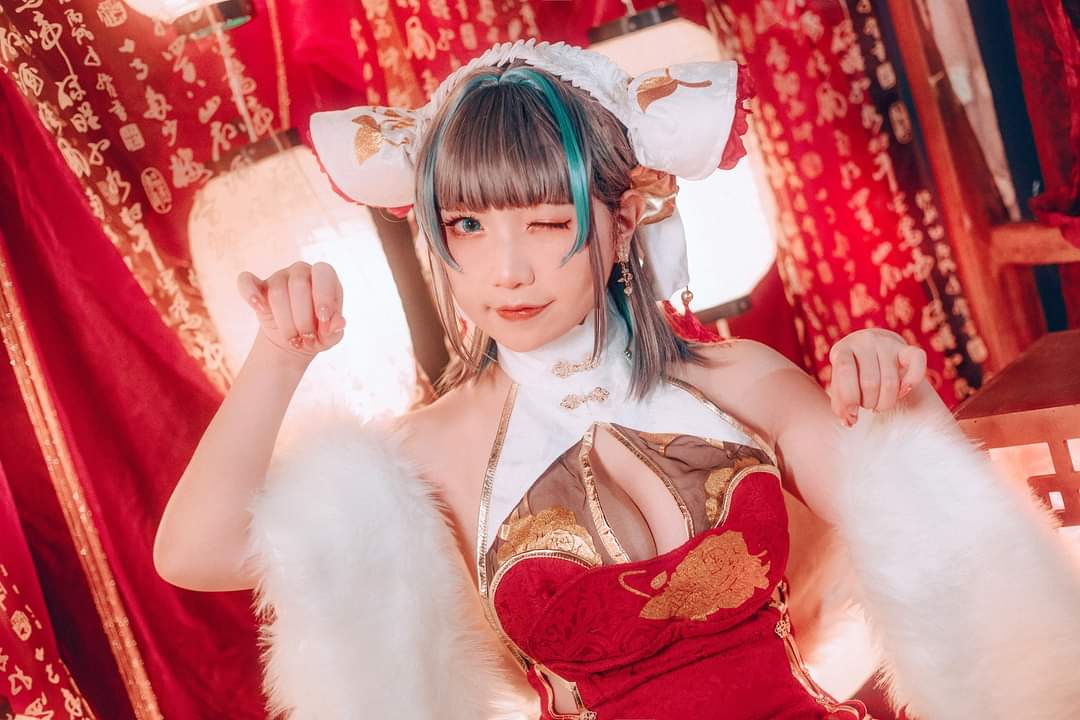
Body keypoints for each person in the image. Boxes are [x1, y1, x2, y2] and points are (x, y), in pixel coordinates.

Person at [154, 40, 1080, 720]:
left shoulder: (740, 381)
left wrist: (898, 401)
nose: (505, 270)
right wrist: (280, 355)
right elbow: (193, 552)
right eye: (466, 226)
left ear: (623, 221)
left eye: (547, 222)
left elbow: (938, 537)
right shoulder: (427, 451)